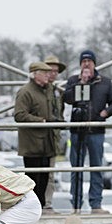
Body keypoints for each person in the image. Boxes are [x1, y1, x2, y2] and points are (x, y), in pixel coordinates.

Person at [62, 49, 112, 212]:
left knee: (96, 168)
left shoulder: (105, 82)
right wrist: (80, 83)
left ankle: (96, 203)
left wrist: (105, 113)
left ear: (94, 64)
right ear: (80, 65)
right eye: (83, 61)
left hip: (96, 131)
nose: (86, 64)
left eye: (89, 61)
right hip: (77, 131)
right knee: (76, 169)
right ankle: (76, 204)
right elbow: (67, 98)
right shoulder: (73, 80)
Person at [14, 61, 57, 207]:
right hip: (32, 144)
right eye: (44, 73)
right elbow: (19, 115)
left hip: (46, 143)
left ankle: (41, 206)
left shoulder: (47, 91)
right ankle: (32, 208)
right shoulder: (25, 92)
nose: (48, 75)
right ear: (35, 74)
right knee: (33, 180)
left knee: (44, 179)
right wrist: (40, 121)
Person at [44, 55, 67, 211]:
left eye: (55, 71)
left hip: (52, 137)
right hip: (38, 138)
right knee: (36, 173)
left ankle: (48, 203)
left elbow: (61, 113)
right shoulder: (37, 90)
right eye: (50, 70)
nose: (53, 74)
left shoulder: (58, 92)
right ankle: (38, 203)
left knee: (50, 174)